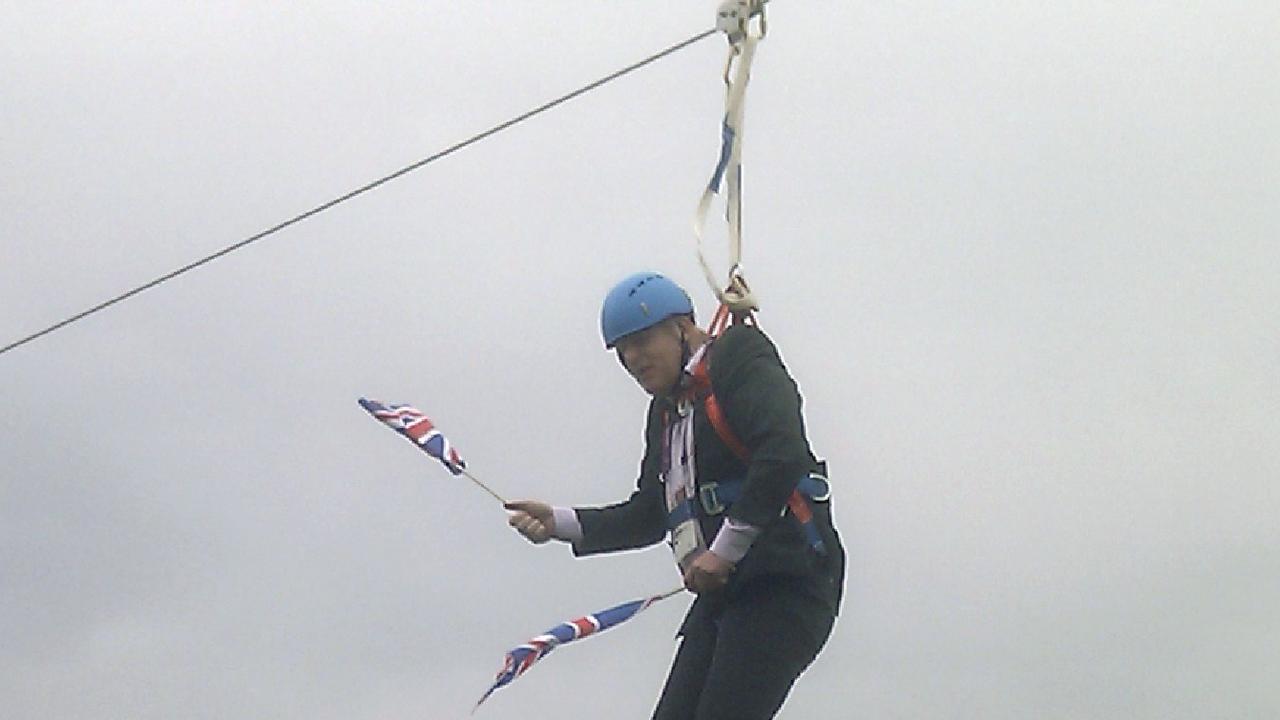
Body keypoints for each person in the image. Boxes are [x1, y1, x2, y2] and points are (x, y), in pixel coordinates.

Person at [505, 271, 844, 720]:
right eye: (623, 352)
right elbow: (651, 512)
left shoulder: (738, 356)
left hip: (785, 580)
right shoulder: (667, 411)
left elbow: (781, 454)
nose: (634, 359)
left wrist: (723, 552)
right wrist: (560, 523)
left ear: (681, 327)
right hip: (727, 591)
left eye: (643, 341)